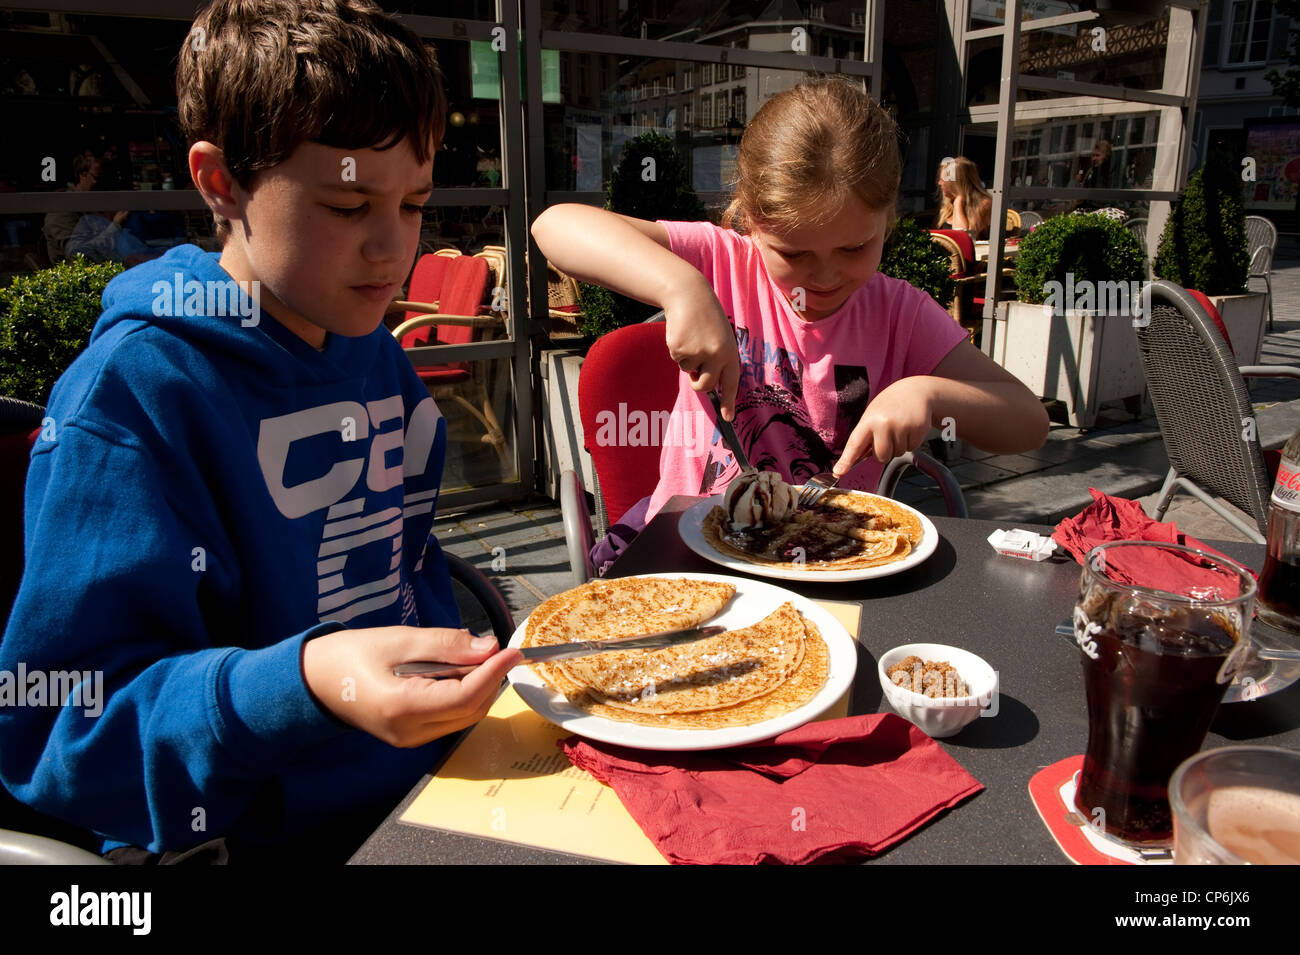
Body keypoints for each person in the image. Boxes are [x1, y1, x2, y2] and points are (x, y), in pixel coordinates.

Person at [0, 0, 520, 863]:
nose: (392, 249)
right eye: (347, 205)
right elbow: (55, 729)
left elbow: (408, 569)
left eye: (414, 202)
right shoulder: (132, 399)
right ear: (221, 183)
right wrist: (303, 682)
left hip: (447, 782)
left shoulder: (366, 344)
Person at [532, 80, 1049, 572]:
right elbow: (553, 226)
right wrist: (681, 286)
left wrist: (930, 395)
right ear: (749, 219)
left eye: (854, 247)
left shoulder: (901, 314)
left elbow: (1029, 422)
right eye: (793, 253)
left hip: (831, 559)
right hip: (693, 553)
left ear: (888, 217)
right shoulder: (721, 263)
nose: (824, 277)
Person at [936, 156, 993, 238]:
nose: (939, 183)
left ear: (956, 183)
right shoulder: (948, 204)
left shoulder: (983, 204)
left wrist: (958, 201)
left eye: (943, 180)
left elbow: (962, 237)